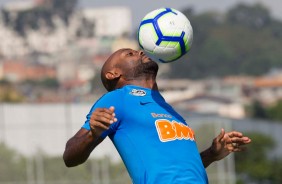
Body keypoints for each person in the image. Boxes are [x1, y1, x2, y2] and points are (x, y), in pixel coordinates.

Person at [63, 48, 251, 184]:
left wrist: (212, 153)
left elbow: (178, 170)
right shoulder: (118, 99)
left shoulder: (169, 110)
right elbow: (70, 157)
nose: (140, 52)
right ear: (113, 74)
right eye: (129, 54)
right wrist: (91, 134)